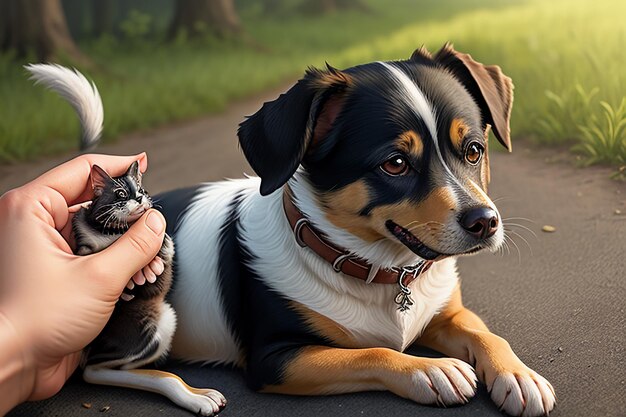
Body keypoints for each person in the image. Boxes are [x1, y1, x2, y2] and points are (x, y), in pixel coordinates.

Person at [0, 154, 167, 415]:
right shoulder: (85, 228)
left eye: (140, 192)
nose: (136, 200)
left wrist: (23, 346)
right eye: (123, 195)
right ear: (99, 194)